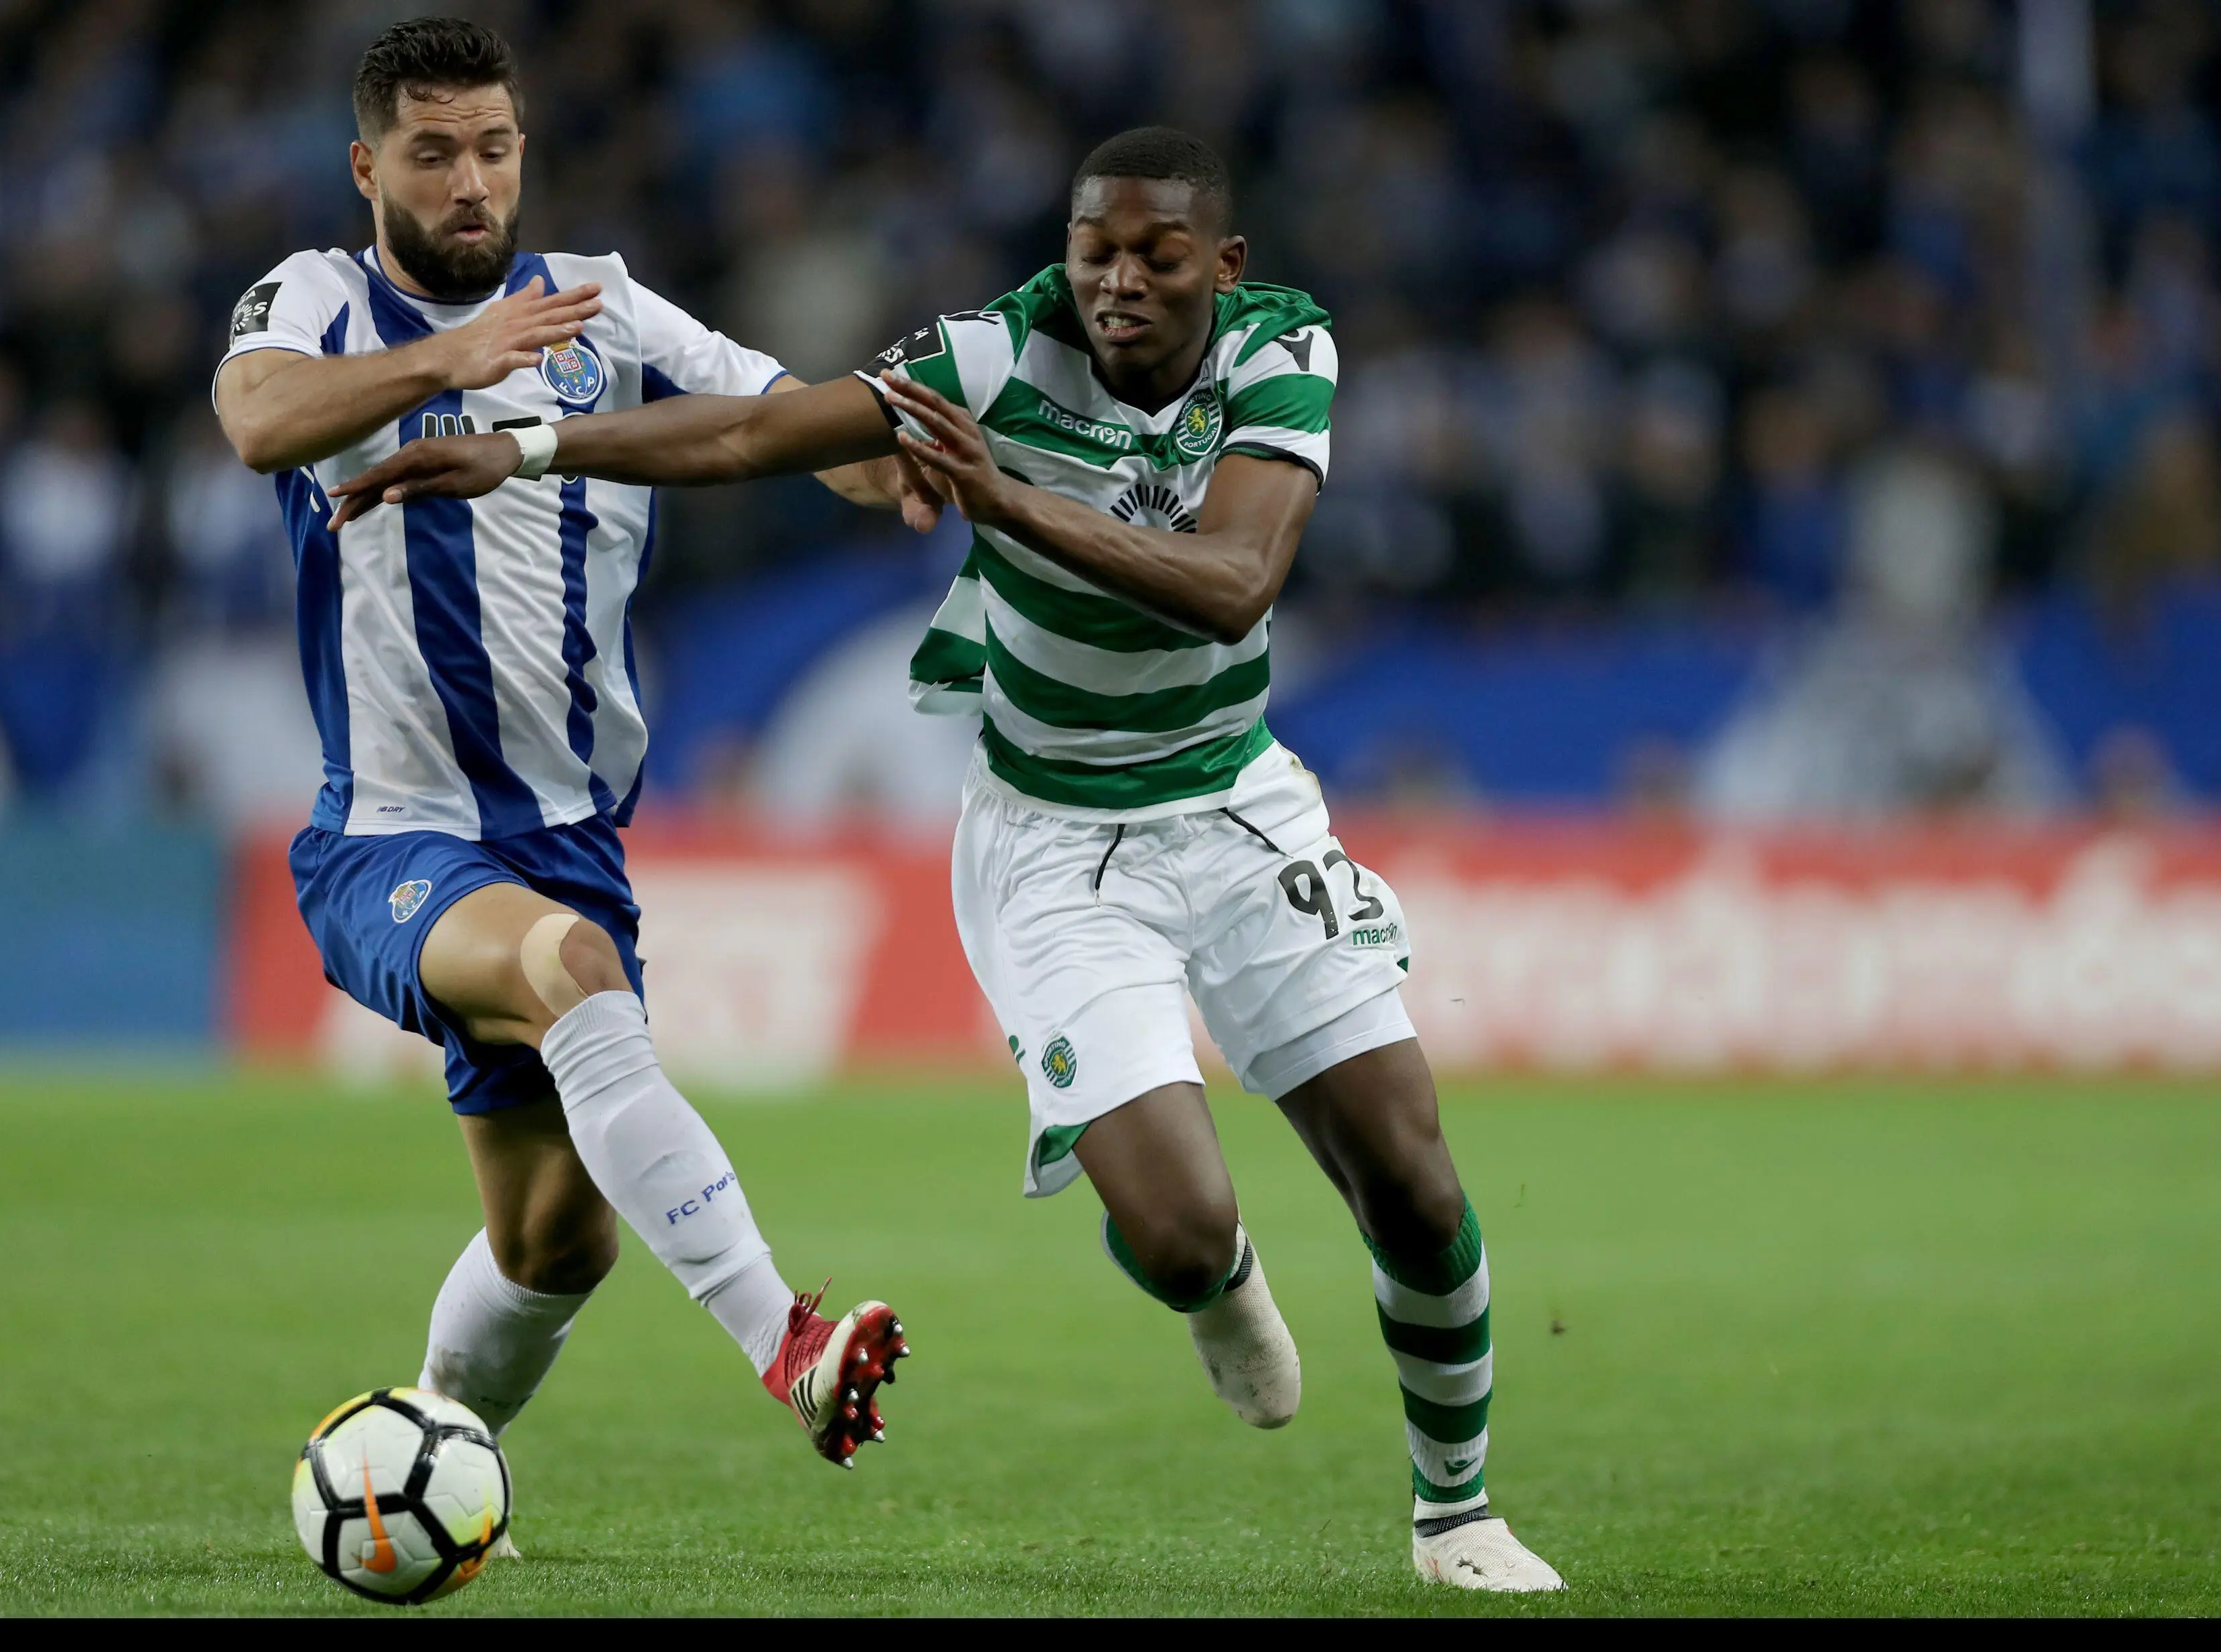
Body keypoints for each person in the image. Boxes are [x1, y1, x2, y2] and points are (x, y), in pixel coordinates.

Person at [332, 125, 1564, 1594]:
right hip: (1052, 846)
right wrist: (533, 446)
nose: (1115, 280)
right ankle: (1217, 1280)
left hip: (1238, 810)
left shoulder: (1282, 347)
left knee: (1414, 1187)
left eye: (1157, 254)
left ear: (1222, 269)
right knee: (1178, 1234)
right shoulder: (995, 353)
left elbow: (1235, 587)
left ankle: (1456, 1515)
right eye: (1093, 247)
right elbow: (757, 431)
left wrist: (1011, 502)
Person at [210, 16, 908, 1500]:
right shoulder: (318, 300)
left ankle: (430, 1449)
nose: (471, 181)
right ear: (367, 166)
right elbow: (257, 422)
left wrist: (881, 454)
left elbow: (787, 420)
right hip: (391, 839)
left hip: (572, 842)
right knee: (570, 969)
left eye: (495, 147)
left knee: (558, 1241)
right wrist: (450, 358)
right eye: (434, 152)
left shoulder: (606, 310)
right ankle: (789, 1342)